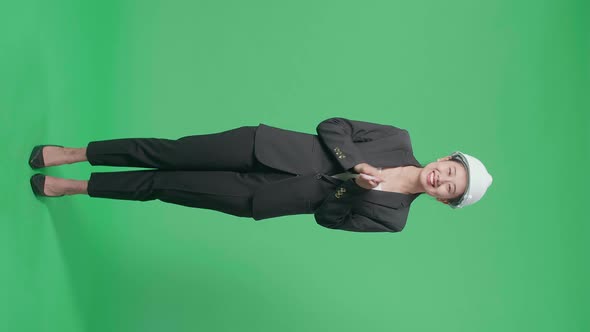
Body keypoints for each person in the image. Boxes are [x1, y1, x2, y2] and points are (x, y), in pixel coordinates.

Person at [28, 117, 493, 233]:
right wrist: (356, 165)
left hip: (263, 198)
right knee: (168, 153)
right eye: (451, 171)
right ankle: (75, 153)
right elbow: (332, 126)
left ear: (444, 201)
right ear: (444, 159)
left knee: (163, 186)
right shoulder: (397, 138)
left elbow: (327, 219)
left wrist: (353, 188)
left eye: (452, 189)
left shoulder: (394, 218)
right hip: (263, 145)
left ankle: (77, 187)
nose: (443, 180)